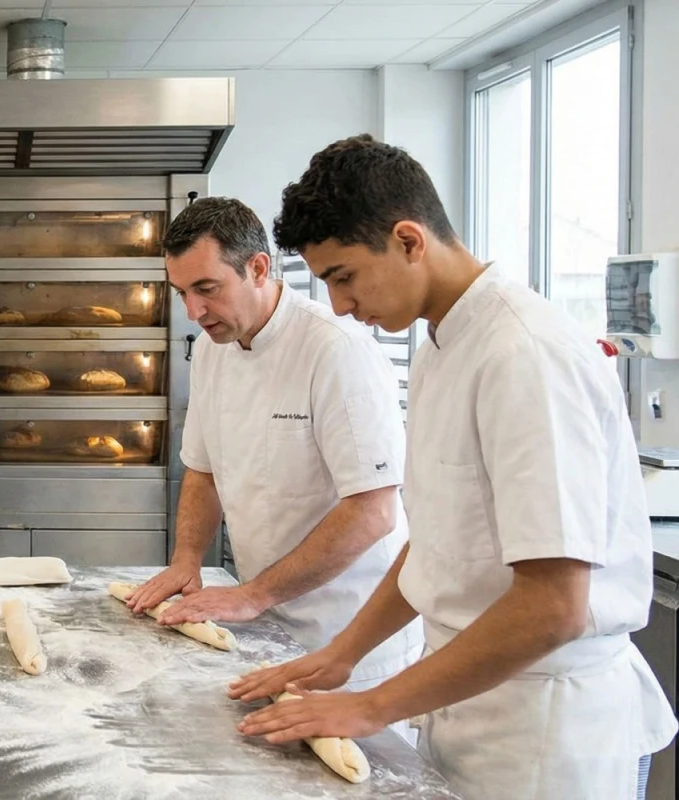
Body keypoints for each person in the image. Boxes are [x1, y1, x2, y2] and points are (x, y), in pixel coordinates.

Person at [231, 134, 677, 800]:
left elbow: (553, 605)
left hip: (544, 731)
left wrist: (372, 705)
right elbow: (441, 542)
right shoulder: (442, 344)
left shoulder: (525, 354)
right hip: (466, 698)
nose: (339, 305)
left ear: (409, 240)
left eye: (343, 277)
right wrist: (342, 655)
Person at [128, 197, 421, 706]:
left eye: (207, 289)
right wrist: (185, 560)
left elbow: (373, 512)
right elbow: (203, 469)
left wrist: (252, 594)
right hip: (264, 624)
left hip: (346, 638)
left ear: (258, 269)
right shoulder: (213, 351)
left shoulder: (335, 349)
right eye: (182, 293)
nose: (194, 312)